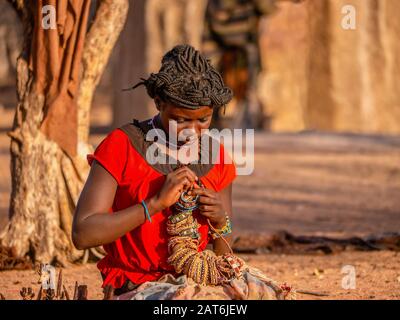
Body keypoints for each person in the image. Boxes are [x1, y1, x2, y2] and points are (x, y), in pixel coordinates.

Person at [72, 44, 295, 300]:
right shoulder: (122, 145)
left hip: (197, 279)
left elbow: (224, 254)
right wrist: (153, 205)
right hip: (136, 286)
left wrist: (221, 221)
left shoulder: (216, 156)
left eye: (203, 120)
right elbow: (83, 233)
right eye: (180, 120)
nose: (191, 130)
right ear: (158, 103)